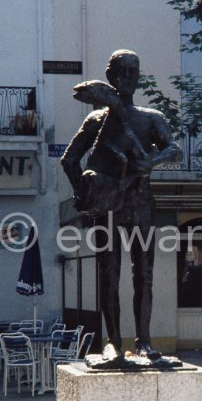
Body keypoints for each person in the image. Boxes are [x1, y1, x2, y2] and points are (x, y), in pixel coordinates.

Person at [61, 49, 182, 360]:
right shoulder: (97, 120)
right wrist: (85, 193)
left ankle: (144, 340)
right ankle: (113, 342)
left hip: (141, 204)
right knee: (109, 273)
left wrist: (151, 161)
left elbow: (175, 150)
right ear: (111, 76)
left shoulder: (150, 118)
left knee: (144, 273)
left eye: (133, 71)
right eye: (122, 71)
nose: (128, 77)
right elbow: (70, 159)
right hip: (109, 206)